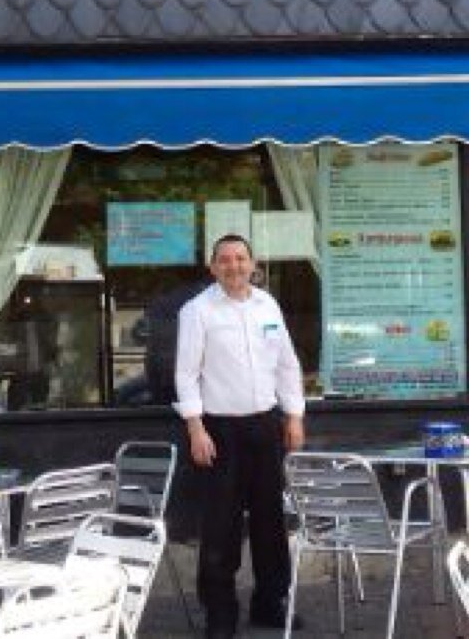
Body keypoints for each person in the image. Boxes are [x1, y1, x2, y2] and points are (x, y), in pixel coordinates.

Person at [174, 234, 305, 639]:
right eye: (225, 260)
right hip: (219, 430)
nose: (234, 266)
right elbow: (185, 373)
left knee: (270, 521)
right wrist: (195, 428)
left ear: (253, 264)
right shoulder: (197, 311)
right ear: (212, 267)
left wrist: (294, 416)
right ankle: (220, 613)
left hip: (265, 426)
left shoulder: (268, 305)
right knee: (221, 526)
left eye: (241, 258)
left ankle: (269, 603)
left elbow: (287, 365)